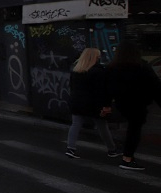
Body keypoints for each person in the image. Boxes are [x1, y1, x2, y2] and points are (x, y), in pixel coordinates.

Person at [106, 40, 161, 171]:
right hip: (138, 103)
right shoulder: (142, 67)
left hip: (121, 103)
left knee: (131, 129)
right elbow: (156, 88)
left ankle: (126, 155)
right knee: (134, 130)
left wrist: (106, 104)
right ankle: (127, 158)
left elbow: (106, 89)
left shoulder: (112, 68)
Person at [65, 48, 119, 159]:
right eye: (98, 56)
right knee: (102, 126)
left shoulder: (76, 70)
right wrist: (106, 105)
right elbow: (102, 90)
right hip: (93, 103)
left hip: (77, 101)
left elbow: (71, 86)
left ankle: (71, 148)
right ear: (95, 58)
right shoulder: (98, 71)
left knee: (75, 124)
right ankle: (112, 150)